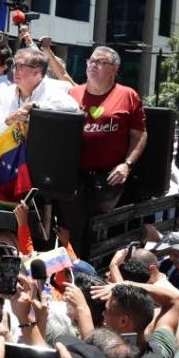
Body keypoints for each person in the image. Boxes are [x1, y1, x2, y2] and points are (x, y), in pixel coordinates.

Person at [61, 46, 146, 240]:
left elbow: (140, 134)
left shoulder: (128, 95)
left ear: (114, 69)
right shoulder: (72, 94)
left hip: (108, 179)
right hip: (74, 177)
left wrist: (127, 164)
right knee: (71, 232)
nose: (93, 65)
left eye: (101, 62)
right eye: (91, 61)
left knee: (98, 234)